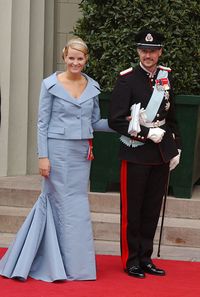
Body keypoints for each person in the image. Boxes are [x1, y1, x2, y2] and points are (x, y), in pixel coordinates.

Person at [0, 37, 112, 282]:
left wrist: (126, 123)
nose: (75, 62)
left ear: (86, 59)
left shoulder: (92, 86)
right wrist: (43, 156)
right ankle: (51, 261)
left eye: (79, 58)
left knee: (77, 206)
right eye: (71, 58)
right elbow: (42, 123)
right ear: (64, 58)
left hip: (82, 154)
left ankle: (77, 266)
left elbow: (95, 122)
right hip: (57, 152)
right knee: (57, 203)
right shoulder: (50, 84)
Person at [108, 29, 181, 279]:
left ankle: (147, 258)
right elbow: (115, 120)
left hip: (160, 154)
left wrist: (177, 146)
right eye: (143, 50)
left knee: (151, 208)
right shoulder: (127, 80)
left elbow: (172, 117)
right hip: (136, 153)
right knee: (133, 210)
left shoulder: (166, 78)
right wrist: (144, 134)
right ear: (138, 51)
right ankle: (131, 260)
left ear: (160, 52)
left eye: (153, 50)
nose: (148, 55)